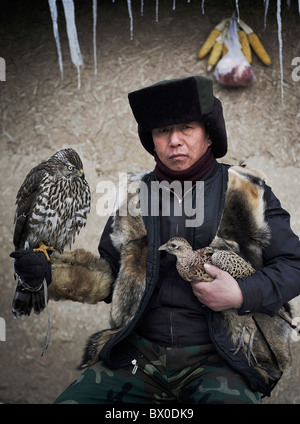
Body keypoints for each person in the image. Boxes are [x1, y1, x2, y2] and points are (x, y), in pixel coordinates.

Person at [11, 76, 300, 404]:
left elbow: (294, 264)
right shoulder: (134, 197)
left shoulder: (245, 191)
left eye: (187, 128)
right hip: (137, 360)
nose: (174, 140)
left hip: (222, 360)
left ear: (208, 134)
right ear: (152, 140)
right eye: (163, 131)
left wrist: (241, 293)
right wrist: (52, 273)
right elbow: (110, 275)